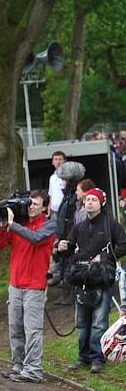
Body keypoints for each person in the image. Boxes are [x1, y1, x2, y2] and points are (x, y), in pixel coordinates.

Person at [57, 188, 126, 374]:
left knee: (99, 322)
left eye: (93, 199)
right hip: (81, 279)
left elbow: (124, 244)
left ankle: (98, 358)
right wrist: (62, 246)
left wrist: (105, 257)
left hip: (102, 279)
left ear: (102, 203)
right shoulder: (79, 225)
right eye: (87, 199)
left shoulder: (110, 224)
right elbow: (70, 245)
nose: (89, 202)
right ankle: (83, 357)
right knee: (82, 321)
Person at [0, 190, 56, 383]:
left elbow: (36, 238)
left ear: (45, 207)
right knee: (15, 327)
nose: (30, 208)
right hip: (16, 284)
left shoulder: (49, 225)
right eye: (29, 204)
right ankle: (19, 365)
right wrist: (3, 225)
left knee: (32, 330)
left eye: (35, 205)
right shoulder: (20, 224)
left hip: (35, 286)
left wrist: (13, 225)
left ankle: (33, 370)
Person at [48, 162, 87, 290]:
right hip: (64, 237)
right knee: (64, 264)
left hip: (69, 238)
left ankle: (70, 293)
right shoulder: (68, 197)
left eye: (64, 179)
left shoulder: (73, 199)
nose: (62, 182)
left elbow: (71, 220)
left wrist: (66, 238)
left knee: (69, 265)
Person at [47, 151, 66, 215]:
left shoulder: (68, 175)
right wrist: (49, 207)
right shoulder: (52, 177)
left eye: (60, 159)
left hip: (65, 211)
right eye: (56, 159)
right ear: (53, 162)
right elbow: (51, 194)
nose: (58, 162)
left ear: (65, 161)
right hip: (53, 211)